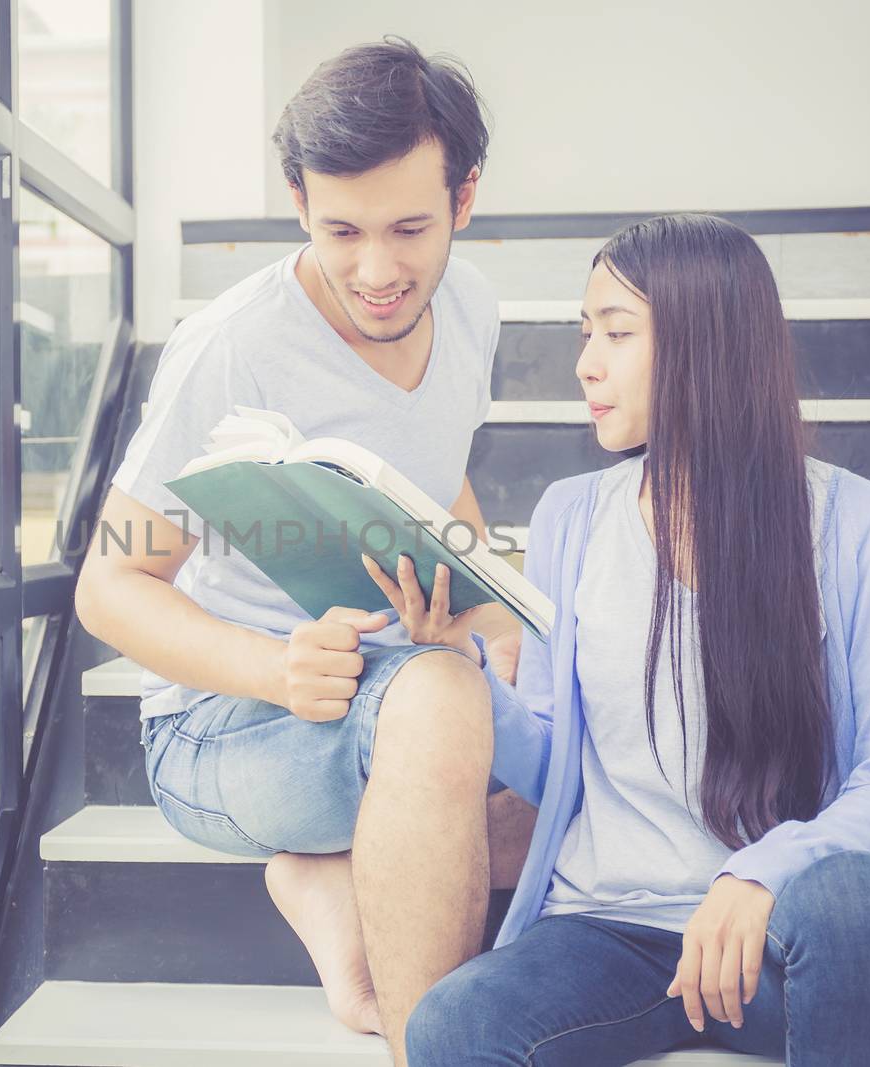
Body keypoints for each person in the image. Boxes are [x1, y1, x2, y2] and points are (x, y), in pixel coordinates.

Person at [374, 214, 870, 1066]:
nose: (585, 364)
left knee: (869, 909)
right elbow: (553, 759)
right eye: (584, 333)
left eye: (616, 333)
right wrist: (462, 666)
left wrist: (758, 873)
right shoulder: (572, 515)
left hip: (776, 932)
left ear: (703, 346)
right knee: (452, 1026)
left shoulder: (857, 523)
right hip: (608, 931)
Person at [73, 37, 535, 1063]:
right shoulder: (231, 345)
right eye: (342, 230)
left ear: (465, 198)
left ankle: (326, 882)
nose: (376, 270)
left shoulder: (470, 309)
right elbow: (108, 589)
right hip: (222, 726)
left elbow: (438, 477)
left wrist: (488, 611)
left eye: (410, 227)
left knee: (579, 768)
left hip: (381, 681)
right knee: (445, 704)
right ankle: (437, 1048)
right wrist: (275, 670)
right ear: (298, 202)